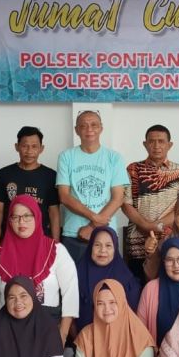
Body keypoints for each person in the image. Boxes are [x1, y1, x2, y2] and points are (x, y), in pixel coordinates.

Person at [0, 197, 78, 343]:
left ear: (37, 217)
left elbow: (71, 292)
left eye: (27, 215)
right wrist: (1, 337)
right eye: (15, 217)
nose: (21, 222)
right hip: (9, 333)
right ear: (9, 221)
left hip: (48, 330)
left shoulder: (56, 251)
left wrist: (62, 334)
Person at [56, 110, 129, 263]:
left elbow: (118, 198)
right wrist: (95, 218)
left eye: (94, 125)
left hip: (106, 234)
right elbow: (64, 196)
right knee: (74, 278)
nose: (89, 129)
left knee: (108, 278)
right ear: (76, 130)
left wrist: (91, 226)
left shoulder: (114, 158)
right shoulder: (66, 157)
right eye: (83, 126)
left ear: (101, 128)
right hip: (74, 233)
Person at [121, 125, 179, 280]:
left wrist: (157, 225)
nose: (156, 146)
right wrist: (146, 225)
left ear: (169, 145)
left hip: (171, 241)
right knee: (140, 287)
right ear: (145, 144)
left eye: (161, 141)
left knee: (170, 284)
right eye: (152, 141)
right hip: (138, 243)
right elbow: (125, 204)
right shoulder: (132, 169)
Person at [0, 126, 60, 247]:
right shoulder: (4, 174)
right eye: (25, 146)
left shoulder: (50, 176)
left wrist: (56, 245)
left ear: (41, 148)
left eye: (34, 146)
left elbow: (54, 213)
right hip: (10, 240)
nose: (29, 151)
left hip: (40, 240)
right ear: (17, 147)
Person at [75, 225, 141, 330]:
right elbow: (69, 312)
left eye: (108, 245)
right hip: (84, 336)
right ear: (90, 247)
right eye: (97, 245)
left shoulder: (126, 279)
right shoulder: (78, 273)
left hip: (118, 336)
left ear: (115, 249)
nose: (102, 250)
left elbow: (132, 317)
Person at [136, 237, 179, 345]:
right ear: (163, 262)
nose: (176, 265)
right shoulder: (150, 289)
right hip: (158, 353)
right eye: (169, 260)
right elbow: (139, 332)